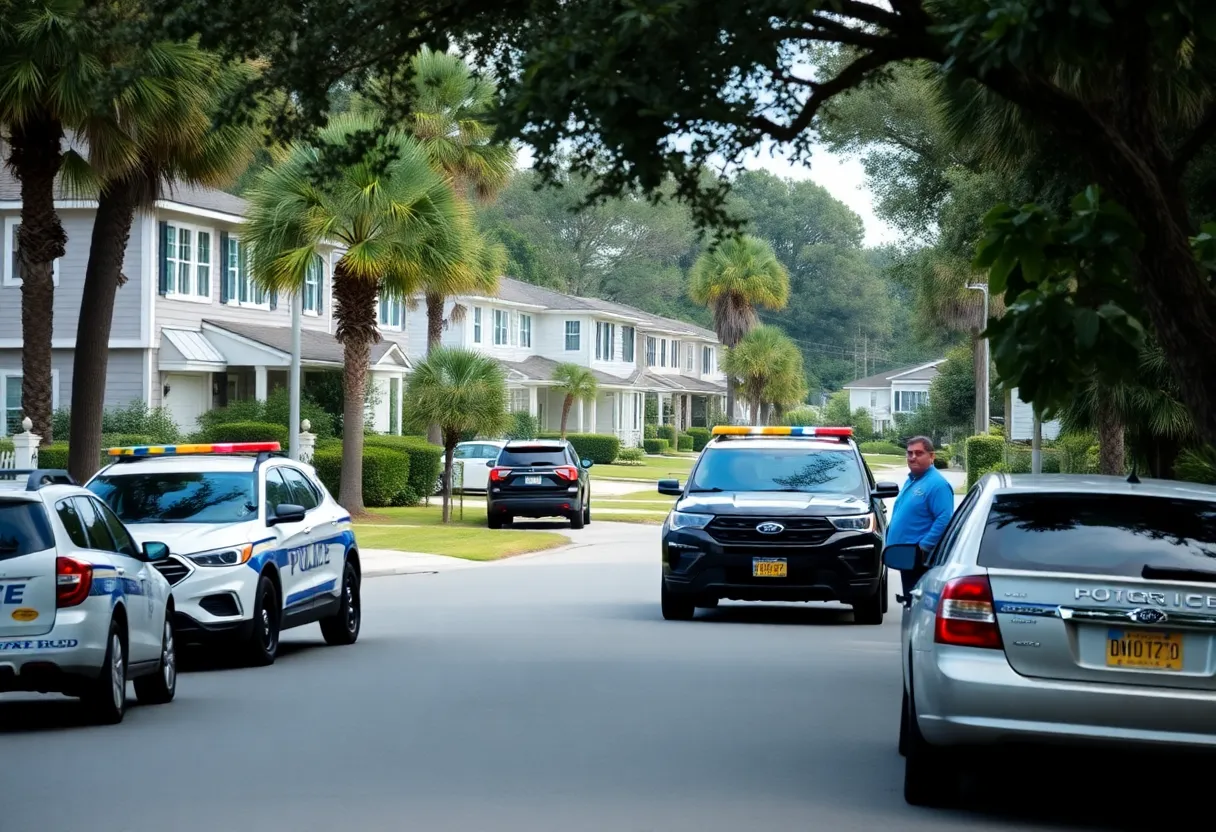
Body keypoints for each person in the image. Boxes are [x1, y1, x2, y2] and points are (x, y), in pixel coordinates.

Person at [886, 436, 955, 593]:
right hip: (906, 555)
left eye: (919, 453)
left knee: (916, 602)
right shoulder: (913, 479)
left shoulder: (937, 484)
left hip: (919, 558)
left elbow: (944, 519)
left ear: (932, 456)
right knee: (909, 600)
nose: (913, 457)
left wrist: (924, 547)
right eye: (910, 453)